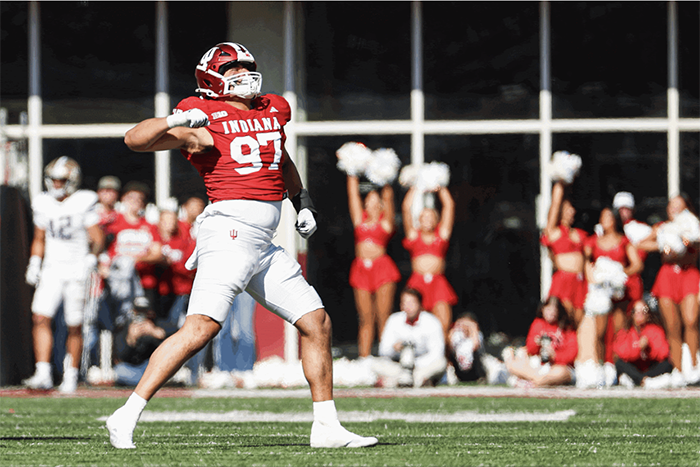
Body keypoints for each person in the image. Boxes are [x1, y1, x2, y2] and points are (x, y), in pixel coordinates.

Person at [106, 42, 377, 449]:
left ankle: (326, 427)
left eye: (247, 67)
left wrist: (301, 199)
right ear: (213, 80)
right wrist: (174, 119)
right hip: (229, 234)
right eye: (232, 70)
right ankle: (125, 415)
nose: (244, 75)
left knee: (316, 322)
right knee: (201, 328)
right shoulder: (202, 119)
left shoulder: (273, 108)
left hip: (263, 243)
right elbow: (134, 140)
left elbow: (279, 158)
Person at [22, 156, 105, 393]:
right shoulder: (43, 202)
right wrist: (35, 263)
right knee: (40, 317)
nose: (56, 184)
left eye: (61, 180)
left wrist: (92, 257)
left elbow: (97, 238)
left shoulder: (84, 201)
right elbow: (39, 238)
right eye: (53, 180)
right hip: (52, 268)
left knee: (74, 324)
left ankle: (71, 374)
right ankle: (43, 372)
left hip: (77, 268)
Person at [639, 194, 700, 386]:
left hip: (688, 274)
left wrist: (688, 241)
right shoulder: (663, 228)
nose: (674, 209)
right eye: (671, 206)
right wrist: (662, 246)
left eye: (679, 206)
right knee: (672, 326)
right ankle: (679, 370)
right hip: (667, 277)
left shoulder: (691, 225)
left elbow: (696, 244)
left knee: (690, 321)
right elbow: (640, 243)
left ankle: (694, 365)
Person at [344, 173, 400, 358]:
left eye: (377, 200)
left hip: (382, 268)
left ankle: (386, 356)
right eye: (369, 199)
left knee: (383, 316)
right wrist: (352, 172)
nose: (372, 202)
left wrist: (385, 172)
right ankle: (364, 357)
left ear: (382, 205)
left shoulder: (385, 223)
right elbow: (352, 195)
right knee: (365, 318)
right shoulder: (360, 220)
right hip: (361, 269)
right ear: (365, 204)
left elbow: (389, 197)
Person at [580, 207, 643, 367]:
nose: (605, 219)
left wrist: (619, 273)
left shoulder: (623, 241)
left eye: (608, 216)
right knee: (600, 331)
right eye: (602, 216)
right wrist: (593, 278)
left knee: (618, 330)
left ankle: (617, 366)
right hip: (600, 292)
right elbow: (586, 261)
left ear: (615, 219)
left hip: (619, 292)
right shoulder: (594, 241)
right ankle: (600, 366)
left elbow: (637, 264)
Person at [401, 185, 457, 337]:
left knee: (444, 322)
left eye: (431, 217)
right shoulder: (414, 235)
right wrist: (415, 186)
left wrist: (440, 187)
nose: (427, 220)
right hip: (418, 282)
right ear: (418, 220)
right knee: (416, 324)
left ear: (436, 220)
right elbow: (406, 208)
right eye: (424, 217)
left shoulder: (441, 235)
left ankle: (445, 357)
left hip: (438, 283)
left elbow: (449, 205)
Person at [373, 288, 447, 388]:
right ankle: (414, 381)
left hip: (420, 367)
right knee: (370, 363)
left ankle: (396, 382)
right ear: (401, 305)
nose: (408, 307)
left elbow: (437, 353)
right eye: (405, 303)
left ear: (420, 304)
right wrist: (395, 349)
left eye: (412, 302)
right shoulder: (394, 320)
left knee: (441, 363)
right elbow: (383, 351)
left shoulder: (432, 322)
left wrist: (413, 364)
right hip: (398, 367)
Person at [540, 180, 588, 326]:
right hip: (564, 281)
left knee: (579, 322)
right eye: (568, 208)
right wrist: (560, 183)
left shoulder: (579, 234)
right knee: (564, 320)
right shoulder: (554, 232)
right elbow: (554, 205)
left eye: (572, 208)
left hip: (580, 281)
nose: (572, 211)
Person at [504, 296, 578, 388]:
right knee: (512, 364)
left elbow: (571, 354)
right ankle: (538, 382)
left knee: (562, 372)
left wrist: (554, 355)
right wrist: (536, 344)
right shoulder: (538, 324)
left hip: (557, 367)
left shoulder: (567, 329)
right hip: (538, 366)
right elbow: (530, 349)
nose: (551, 312)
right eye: (548, 309)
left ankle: (530, 382)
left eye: (554, 310)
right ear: (543, 309)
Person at [613, 299, 672, 388]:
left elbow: (663, 353)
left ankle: (640, 380)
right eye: (636, 311)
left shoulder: (656, 330)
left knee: (667, 364)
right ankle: (644, 380)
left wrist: (648, 349)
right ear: (632, 314)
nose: (640, 314)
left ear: (648, 315)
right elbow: (621, 353)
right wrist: (638, 348)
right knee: (619, 363)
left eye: (644, 311)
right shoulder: (626, 332)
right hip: (634, 367)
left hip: (650, 367)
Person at [112, 296, 168, 386]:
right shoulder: (125, 327)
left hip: (149, 367)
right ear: (134, 311)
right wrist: (131, 339)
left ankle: (146, 383)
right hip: (131, 368)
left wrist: (154, 332)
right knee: (119, 371)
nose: (141, 314)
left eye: (144, 311)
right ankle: (148, 383)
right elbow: (121, 357)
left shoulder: (155, 324)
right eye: (139, 311)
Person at [446, 312, 486, 382]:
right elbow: (448, 345)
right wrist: (455, 327)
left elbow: (475, 345)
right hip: (458, 368)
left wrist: (473, 328)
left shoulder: (477, 335)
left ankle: (481, 379)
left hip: (475, 368)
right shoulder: (457, 336)